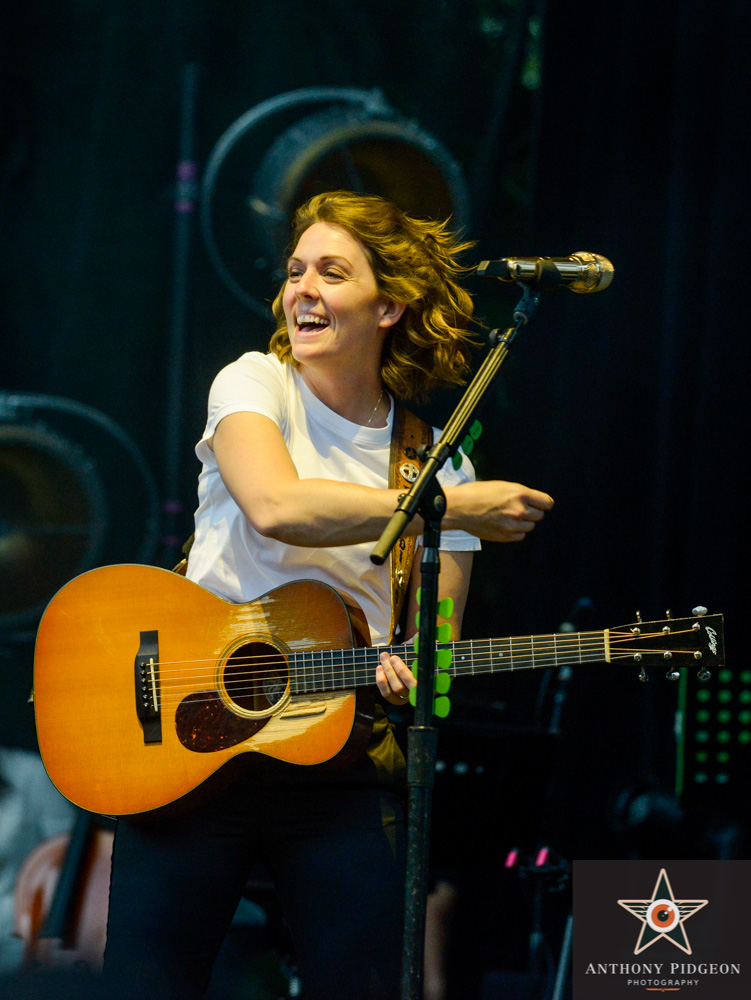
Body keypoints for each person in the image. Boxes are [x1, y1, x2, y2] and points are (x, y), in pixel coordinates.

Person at [102, 190, 553, 1000]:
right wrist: (450, 512)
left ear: (389, 306)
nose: (300, 288)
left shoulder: (440, 468)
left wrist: (419, 668)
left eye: (331, 272)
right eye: (294, 271)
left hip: (338, 761)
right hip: (190, 737)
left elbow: (434, 648)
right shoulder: (254, 385)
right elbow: (278, 506)